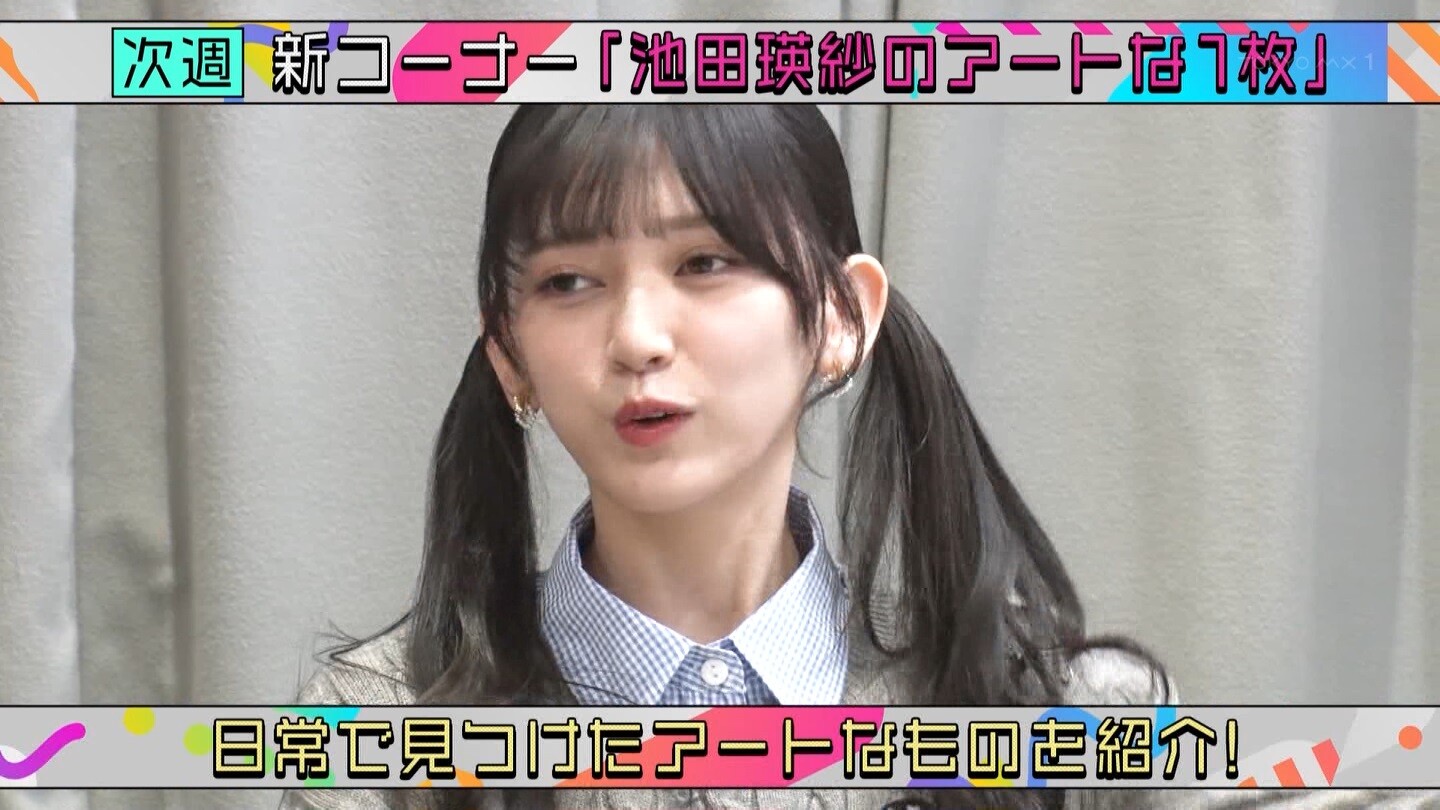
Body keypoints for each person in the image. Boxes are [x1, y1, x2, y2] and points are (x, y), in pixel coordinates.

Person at [283, 105, 1401, 810]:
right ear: (509, 353)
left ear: (839, 316)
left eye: (707, 262)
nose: (636, 337)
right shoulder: (380, 729)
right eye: (569, 281)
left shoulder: (1059, 712)